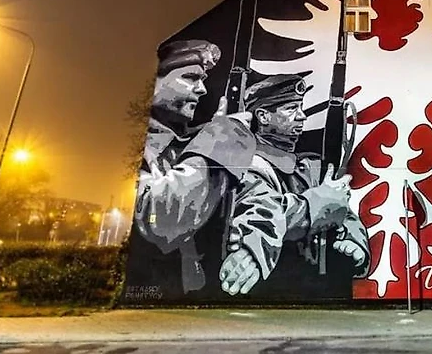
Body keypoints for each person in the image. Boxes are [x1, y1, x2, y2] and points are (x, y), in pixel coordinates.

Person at [126, 39, 257, 297]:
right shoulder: (134, 144)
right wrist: (223, 138)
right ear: (153, 82)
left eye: (202, 79)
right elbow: (163, 221)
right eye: (190, 78)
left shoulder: (195, 142)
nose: (203, 89)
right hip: (157, 292)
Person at [219, 74, 370, 298]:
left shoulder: (309, 167)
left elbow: (343, 210)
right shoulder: (249, 164)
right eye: (291, 109)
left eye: (300, 107)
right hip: (273, 290)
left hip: (316, 289)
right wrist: (319, 204)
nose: (302, 116)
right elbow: (264, 210)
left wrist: (353, 239)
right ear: (263, 116)